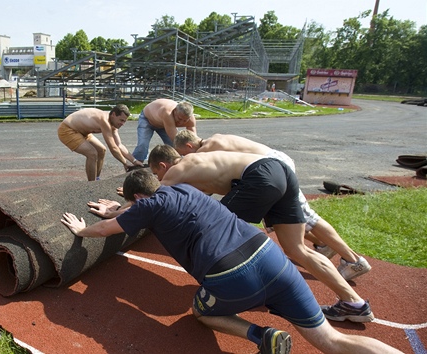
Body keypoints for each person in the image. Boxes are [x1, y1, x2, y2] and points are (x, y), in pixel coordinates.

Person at [61, 169, 402, 354]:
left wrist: (82, 228)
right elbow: (141, 208)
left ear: (136, 197)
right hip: (273, 258)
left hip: (231, 274)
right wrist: (124, 208)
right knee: (332, 341)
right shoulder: (185, 190)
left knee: (201, 312)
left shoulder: (148, 206)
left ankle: (261, 335)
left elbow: (107, 228)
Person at [146, 145, 374, 323]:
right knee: (297, 249)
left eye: (156, 173)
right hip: (278, 170)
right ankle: (354, 303)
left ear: (164, 165)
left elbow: (154, 200)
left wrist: (119, 208)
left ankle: (239, 287)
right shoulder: (199, 161)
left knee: (216, 230)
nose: (158, 179)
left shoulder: (177, 170)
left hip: (259, 176)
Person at [173, 130, 371, 281]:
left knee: (308, 216)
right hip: (270, 165)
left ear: (189, 146)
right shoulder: (215, 138)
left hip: (270, 167)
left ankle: (353, 260)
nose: (185, 159)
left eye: (184, 154)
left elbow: (210, 181)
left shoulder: (207, 150)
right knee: (280, 222)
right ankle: (323, 245)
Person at [57, 104, 142, 181]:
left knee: (101, 150)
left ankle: (96, 178)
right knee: (92, 153)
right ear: (113, 115)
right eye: (121, 120)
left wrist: (134, 161)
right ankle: (92, 184)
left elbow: (119, 145)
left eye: (124, 121)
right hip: (68, 130)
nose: (122, 124)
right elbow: (113, 148)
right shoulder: (104, 121)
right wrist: (125, 163)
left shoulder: (114, 124)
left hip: (83, 132)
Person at [131, 99, 196, 164]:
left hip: (163, 123)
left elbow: (193, 140)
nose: (181, 122)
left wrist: (193, 153)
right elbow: (176, 139)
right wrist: (185, 151)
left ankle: (175, 165)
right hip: (147, 119)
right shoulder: (167, 113)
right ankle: (137, 165)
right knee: (143, 145)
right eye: (179, 118)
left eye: (185, 120)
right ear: (175, 111)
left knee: (173, 146)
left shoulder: (190, 118)